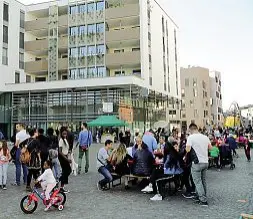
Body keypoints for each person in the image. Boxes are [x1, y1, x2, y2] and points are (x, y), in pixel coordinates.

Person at [186, 123, 212, 207]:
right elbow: (210, 148)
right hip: (205, 162)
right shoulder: (205, 137)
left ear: (191, 130)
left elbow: (188, 149)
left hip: (197, 163)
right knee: (203, 180)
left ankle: (203, 200)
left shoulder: (190, 137)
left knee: (197, 181)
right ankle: (200, 196)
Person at [58, 127, 72, 193]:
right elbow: (60, 151)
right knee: (67, 171)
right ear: (61, 133)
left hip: (65, 156)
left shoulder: (65, 139)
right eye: (63, 132)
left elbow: (66, 148)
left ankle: (60, 183)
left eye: (65, 131)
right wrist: (67, 159)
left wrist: (69, 152)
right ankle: (61, 185)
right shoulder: (61, 140)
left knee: (67, 171)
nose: (65, 133)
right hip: (62, 157)